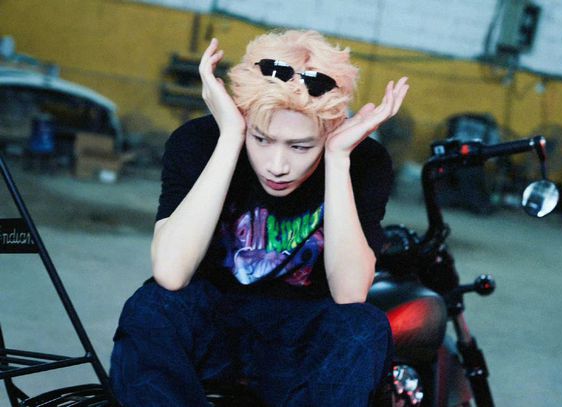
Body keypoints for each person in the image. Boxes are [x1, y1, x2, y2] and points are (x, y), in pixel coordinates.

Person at [109, 29, 409, 406]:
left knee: (365, 328)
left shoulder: (363, 162)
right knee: (150, 307)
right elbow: (171, 272)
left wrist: (337, 158)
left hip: (301, 342)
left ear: (331, 129)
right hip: (212, 325)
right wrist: (231, 136)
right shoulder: (199, 141)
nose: (277, 166)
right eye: (262, 139)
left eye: (300, 146)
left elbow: (350, 294)